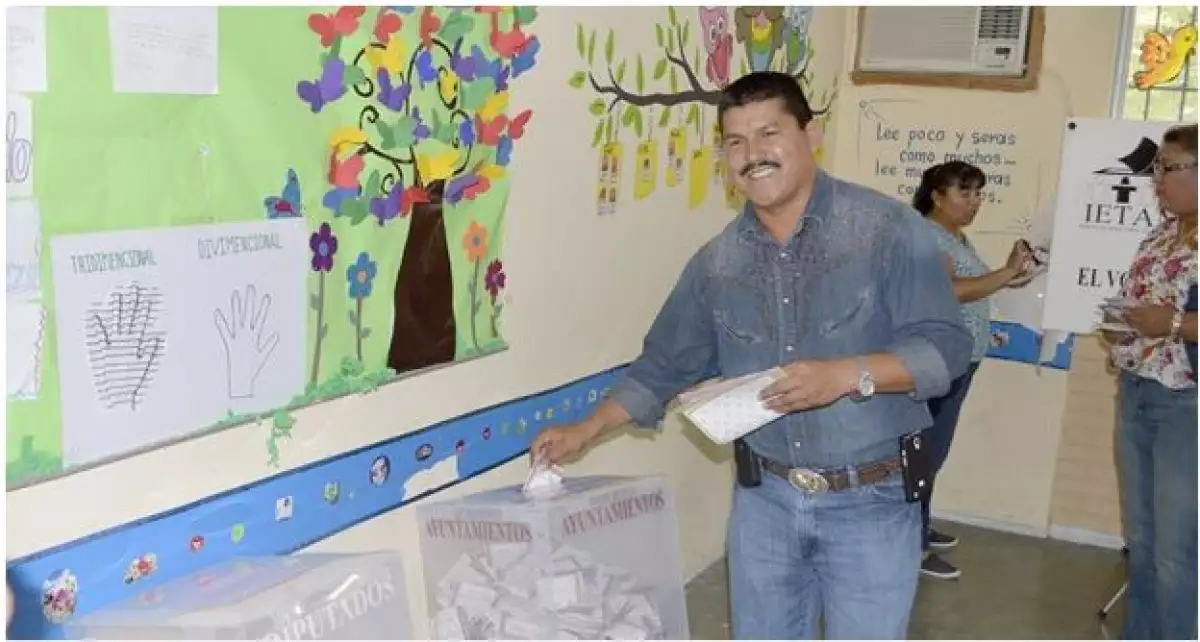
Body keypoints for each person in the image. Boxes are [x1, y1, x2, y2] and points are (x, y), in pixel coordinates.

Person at [531, 71, 972, 640]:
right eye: (735, 142)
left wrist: (847, 375)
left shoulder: (884, 231)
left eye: (769, 134)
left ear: (811, 134)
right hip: (766, 504)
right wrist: (585, 430)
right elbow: (665, 363)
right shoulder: (719, 262)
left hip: (872, 503)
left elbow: (945, 347)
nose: (753, 155)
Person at [910, 161, 1036, 580]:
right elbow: (950, 292)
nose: (974, 203)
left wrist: (1012, 272)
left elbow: (979, 283)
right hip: (938, 363)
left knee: (933, 453)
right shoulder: (925, 237)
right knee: (923, 455)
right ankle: (911, 547)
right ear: (937, 197)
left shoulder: (954, 237)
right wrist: (1003, 275)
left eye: (979, 194)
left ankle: (920, 528)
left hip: (961, 362)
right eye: (965, 193)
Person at [1102, 123, 1197, 641]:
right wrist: (1121, 323)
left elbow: (1171, 320)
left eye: (1168, 167)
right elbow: (1142, 303)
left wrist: (1177, 325)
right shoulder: (1161, 233)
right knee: (1142, 541)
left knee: (1177, 551)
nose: (1156, 177)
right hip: (1136, 392)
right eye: (1157, 167)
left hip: (1188, 406)